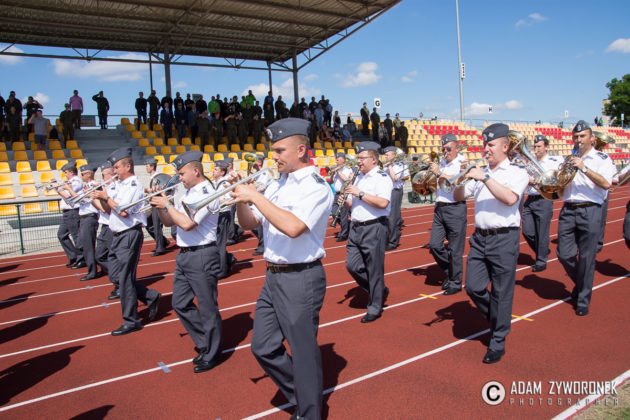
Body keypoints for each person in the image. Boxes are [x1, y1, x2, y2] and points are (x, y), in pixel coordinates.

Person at [231, 118, 332, 420]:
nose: (273, 157)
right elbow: (250, 223)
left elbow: (293, 227)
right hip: (273, 276)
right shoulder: (277, 184)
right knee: (262, 346)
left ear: (300, 150)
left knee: (303, 353)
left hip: (301, 277)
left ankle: (310, 412)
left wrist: (255, 196)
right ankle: (303, 394)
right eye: (272, 150)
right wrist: (240, 197)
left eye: (279, 150)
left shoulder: (315, 187)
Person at [453, 123, 528, 364]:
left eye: (491, 145)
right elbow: (458, 196)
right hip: (480, 238)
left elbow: (510, 199)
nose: (486, 149)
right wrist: (461, 179)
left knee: (502, 292)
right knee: (473, 287)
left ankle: (497, 340)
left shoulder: (517, 172)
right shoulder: (481, 170)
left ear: (505, 147)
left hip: (504, 238)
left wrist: (485, 178)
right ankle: (498, 320)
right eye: (485, 144)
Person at [150, 151, 223, 373]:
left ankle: (212, 351)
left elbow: (188, 224)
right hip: (185, 254)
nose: (179, 177)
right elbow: (169, 221)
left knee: (207, 307)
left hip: (202, 254)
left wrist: (168, 205)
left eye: (182, 173)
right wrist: (160, 205)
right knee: (179, 303)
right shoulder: (188, 191)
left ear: (195, 171)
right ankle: (205, 342)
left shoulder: (207, 193)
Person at [91, 147, 162, 335]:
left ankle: (131, 320)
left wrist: (106, 197)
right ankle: (150, 296)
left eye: (116, 167)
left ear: (127, 166)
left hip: (129, 234)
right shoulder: (120, 185)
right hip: (117, 235)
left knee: (124, 278)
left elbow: (123, 212)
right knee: (116, 276)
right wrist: (99, 197)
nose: (114, 171)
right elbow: (108, 210)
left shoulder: (133, 185)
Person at [556, 120, 614, 316]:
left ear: (592, 138)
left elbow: (606, 184)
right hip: (568, 209)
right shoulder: (569, 158)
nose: (578, 140)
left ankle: (583, 299)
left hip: (590, 209)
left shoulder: (601, 158)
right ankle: (581, 284)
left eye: (582, 136)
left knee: (587, 257)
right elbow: (560, 185)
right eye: (576, 137)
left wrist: (584, 168)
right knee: (564, 254)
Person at [342, 141, 393, 323]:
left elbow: (383, 203)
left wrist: (360, 193)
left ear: (373, 159)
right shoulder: (358, 177)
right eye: (357, 158)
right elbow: (352, 203)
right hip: (356, 227)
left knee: (374, 268)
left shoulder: (382, 177)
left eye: (361, 158)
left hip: (374, 227)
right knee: (352, 265)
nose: (358, 161)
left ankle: (375, 307)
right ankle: (378, 289)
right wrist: (345, 201)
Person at [428, 134, 467, 294]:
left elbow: (457, 181)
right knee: (434, 245)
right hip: (439, 207)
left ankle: (456, 283)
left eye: (449, 148)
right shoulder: (442, 162)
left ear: (457, 147)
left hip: (455, 208)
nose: (445, 151)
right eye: (443, 149)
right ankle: (451, 272)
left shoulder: (462, 163)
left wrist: (439, 173)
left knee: (454, 249)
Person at [521, 135, 562, 271]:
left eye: (539, 146)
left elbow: (555, 180)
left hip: (544, 199)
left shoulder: (553, 162)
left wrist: (535, 181)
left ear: (546, 147)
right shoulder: (530, 162)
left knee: (542, 232)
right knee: (527, 231)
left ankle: (541, 260)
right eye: (535, 146)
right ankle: (543, 251)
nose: (536, 149)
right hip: (530, 198)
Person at [64, 164, 100, 281]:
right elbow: (75, 200)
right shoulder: (86, 186)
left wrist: (69, 189)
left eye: (83, 174)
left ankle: (92, 271)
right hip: (84, 217)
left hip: (90, 217)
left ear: (89, 174)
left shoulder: (94, 185)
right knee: (83, 244)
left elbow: (81, 199)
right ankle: (96, 268)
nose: (81, 176)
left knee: (88, 246)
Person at [91, 162, 117, 290]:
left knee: (112, 257)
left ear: (111, 175)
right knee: (100, 256)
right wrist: (92, 198)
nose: (102, 178)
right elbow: (101, 208)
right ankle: (118, 278)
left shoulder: (114, 189)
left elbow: (107, 210)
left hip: (111, 226)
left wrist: (100, 197)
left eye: (104, 175)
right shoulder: (107, 188)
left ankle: (119, 282)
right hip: (105, 226)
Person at [57, 161, 85, 268]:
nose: (65, 175)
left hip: (73, 211)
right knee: (61, 234)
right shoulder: (69, 182)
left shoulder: (76, 182)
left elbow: (68, 197)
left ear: (71, 172)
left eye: (66, 172)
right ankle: (73, 255)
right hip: (67, 212)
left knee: (76, 235)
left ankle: (81, 258)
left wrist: (58, 189)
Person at [212, 160, 237, 279]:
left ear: (222, 172)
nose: (213, 171)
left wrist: (215, 201)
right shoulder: (214, 183)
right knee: (214, 243)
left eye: (216, 169)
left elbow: (229, 199)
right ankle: (229, 259)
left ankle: (222, 270)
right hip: (215, 215)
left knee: (220, 244)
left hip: (223, 214)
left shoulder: (225, 183)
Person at [592, 135, 616, 253]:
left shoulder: (606, 159)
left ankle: (597, 244)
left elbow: (614, 178)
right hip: (589, 193)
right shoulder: (586, 158)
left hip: (601, 193)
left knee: (600, 220)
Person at [383, 146, 409, 250]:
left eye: (387, 155)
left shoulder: (399, 165)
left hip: (395, 191)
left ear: (394, 155)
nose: (385, 157)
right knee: (386, 216)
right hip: (386, 192)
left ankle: (393, 241)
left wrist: (389, 166)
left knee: (392, 216)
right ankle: (391, 236)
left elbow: (395, 178)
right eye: (385, 155)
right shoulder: (384, 165)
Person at [144, 158, 170, 256]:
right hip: (153, 202)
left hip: (158, 203)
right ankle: (164, 241)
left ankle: (160, 248)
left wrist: (147, 190)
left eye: (147, 166)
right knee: (148, 224)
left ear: (152, 167)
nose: (146, 168)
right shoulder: (152, 177)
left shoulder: (158, 177)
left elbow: (161, 190)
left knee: (156, 225)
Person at [329, 152, 354, 242]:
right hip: (336, 194)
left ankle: (343, 234)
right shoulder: (336, 170)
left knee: (343, 215)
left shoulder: (348, 169)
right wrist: (332, 174)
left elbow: (346, 180)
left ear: (343, 159)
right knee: (334, 213)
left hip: (344, 193)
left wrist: (338, 171)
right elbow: (331, 182)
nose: (336, 161)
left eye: (337, 159)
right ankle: (347, 226)